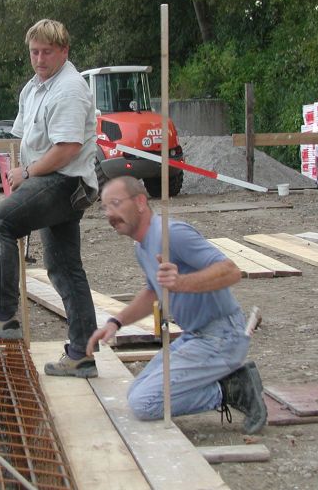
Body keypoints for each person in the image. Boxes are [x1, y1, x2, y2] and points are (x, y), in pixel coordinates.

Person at [0, 19, 100, 378]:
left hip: (64, 182)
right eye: (34, 52)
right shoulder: (35, 88)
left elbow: (68, 148)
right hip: (50, 179)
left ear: (64, 51)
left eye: (47, 52)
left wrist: (28, 172)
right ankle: (82, 354)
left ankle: (4, 316)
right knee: (65, 268)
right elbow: (25, 138)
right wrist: (24, 171)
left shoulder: (69, 88)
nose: (39, 59)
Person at [87, 176, 267, 434]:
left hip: (221, 336)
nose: (110, 214)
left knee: (145, 403)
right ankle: (224, 380)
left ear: (140, 202)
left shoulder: (170, 234)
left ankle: (230, 390)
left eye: (115, 203)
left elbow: (232, 271)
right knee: (135, 392)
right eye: (105, 207)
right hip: (195, 336)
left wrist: (181, 283)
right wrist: (116, 322)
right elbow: (153, 292)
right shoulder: (142, 247)